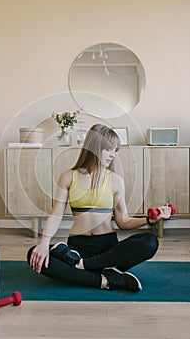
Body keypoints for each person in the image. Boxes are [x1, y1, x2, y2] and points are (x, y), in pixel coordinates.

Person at [27, 124, 171, 292]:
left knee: (150, 242)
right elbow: (56, 214)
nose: (112, 155)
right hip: (77, 248)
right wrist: (44, 243)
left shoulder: (116, 181)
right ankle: (104, 279)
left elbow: (123, 222)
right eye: (108, 149)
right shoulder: (68, 177)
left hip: (108, 250)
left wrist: (149, 220)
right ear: (94, 147)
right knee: (33, 254)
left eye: (115, 150)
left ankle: (82, 267)